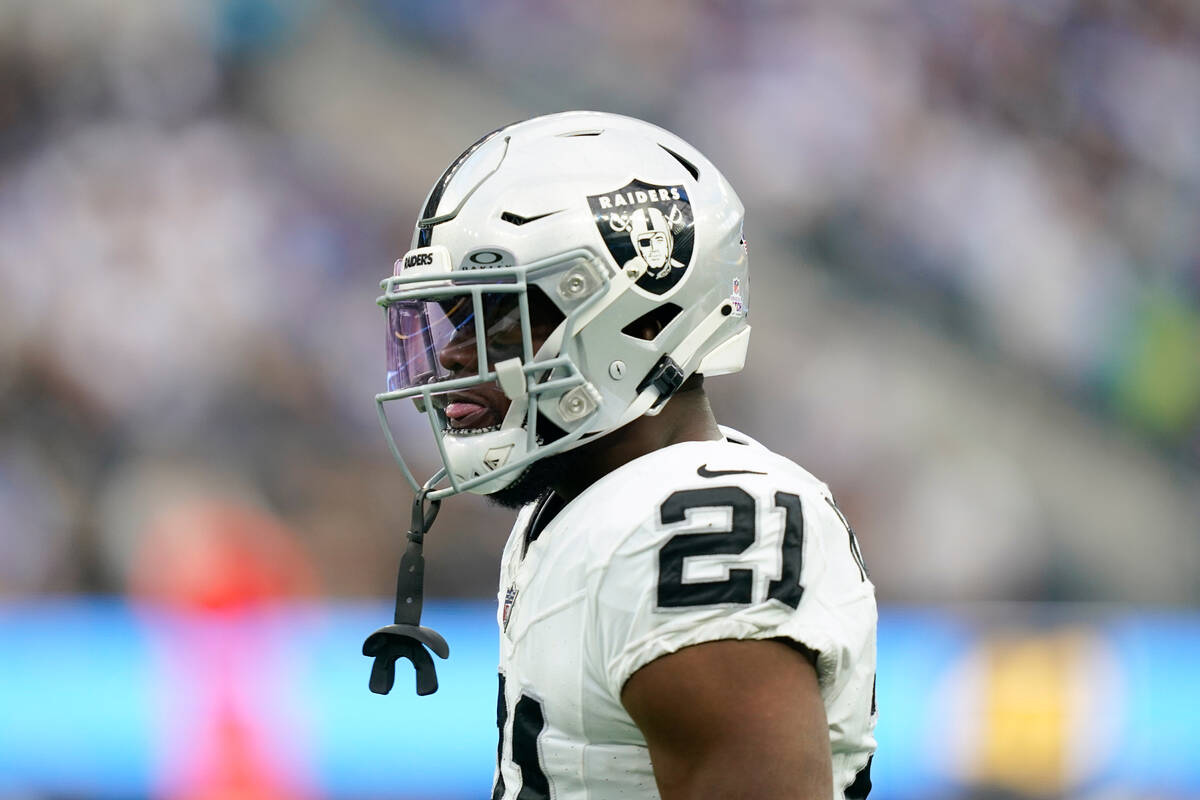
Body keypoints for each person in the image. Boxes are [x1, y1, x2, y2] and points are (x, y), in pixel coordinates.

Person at [364, 111, 877, 799]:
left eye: (498, 313)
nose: (455, 354)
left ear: (642, 318)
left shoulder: (697, 521)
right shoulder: (582, 501)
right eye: (455, 318)